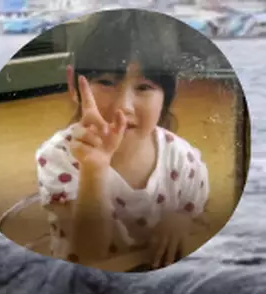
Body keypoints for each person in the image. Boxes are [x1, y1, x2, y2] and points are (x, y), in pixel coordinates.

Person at [35, 11, 210, 270]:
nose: (123, 107)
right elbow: (88, 255)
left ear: (168, 92)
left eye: (144, 87)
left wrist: (181, 220)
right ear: (73, 85)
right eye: (106, 82)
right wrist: (94, 170)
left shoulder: (184, 160)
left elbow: (200, 222)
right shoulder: (58, 156)